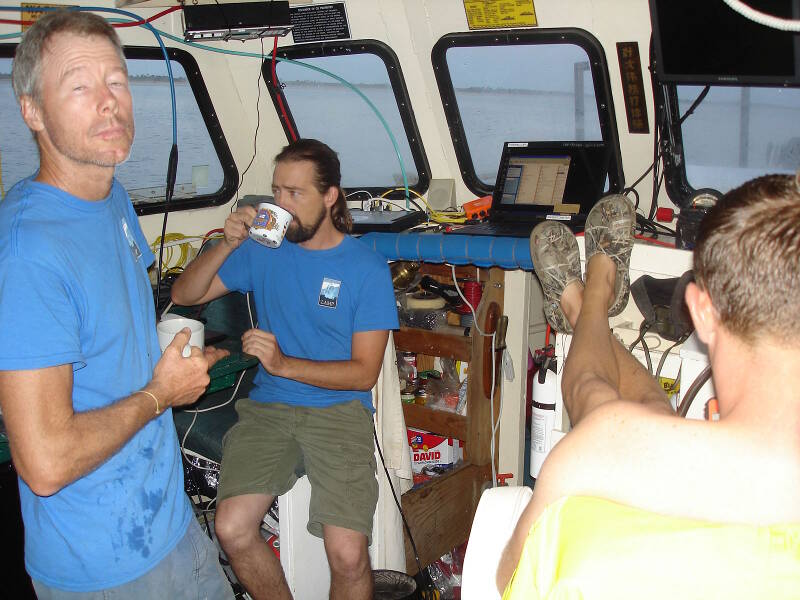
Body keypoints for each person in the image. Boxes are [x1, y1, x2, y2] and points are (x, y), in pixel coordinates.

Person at [0, 10, 233, 599]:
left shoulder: (112, 196)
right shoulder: (27, 253)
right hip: (104, 565)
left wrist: (175, 362)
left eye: (117, 81)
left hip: (169, 522)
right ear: (32, 111)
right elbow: (45, 464)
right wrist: (162, 394)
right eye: (79, 85)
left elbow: (114, 336)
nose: (109, 102)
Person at [497, 181, 800, 598]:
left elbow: (506, 576)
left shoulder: (592, 454)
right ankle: (589, 306)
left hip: (617, 445)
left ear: (701, 310)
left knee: (599, 399)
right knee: (653, 414)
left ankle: (587, 305)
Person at [170, 138, 399, 600]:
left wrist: (284, 363)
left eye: (296, 194)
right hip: (271, 408)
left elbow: (362, 375)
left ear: (330, 196)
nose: (283, 206)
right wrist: (226, 242)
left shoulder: (366, 269)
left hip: (339, 410)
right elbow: (185, 295)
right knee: (232, 529)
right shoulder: (264, 250)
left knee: (349, 556)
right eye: (277, 192)